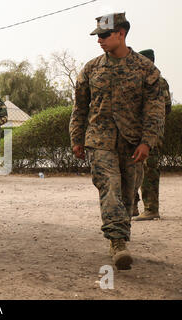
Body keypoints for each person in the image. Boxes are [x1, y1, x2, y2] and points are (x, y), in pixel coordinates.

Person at [69, 13, 165, 270]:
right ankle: (117, 243)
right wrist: (77, 139)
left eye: (104, 35)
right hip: (101, 141)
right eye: (97, 36)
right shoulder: (91, 69)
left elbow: (155, 109)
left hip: (133, 143)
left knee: (127, 195)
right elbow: (79, 108)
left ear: (121, 33)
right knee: (109, 188)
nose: (99, 40)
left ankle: (120, 237)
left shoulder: (147, 70)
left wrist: (147, 141)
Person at [133, 49, 172, 221]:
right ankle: (132, 206)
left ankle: (151, 209)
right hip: (135, 132)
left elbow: (164, 109)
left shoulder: (158, 82)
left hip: (151, 134)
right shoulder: (139, 80)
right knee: (131, 167)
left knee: (149, 169)